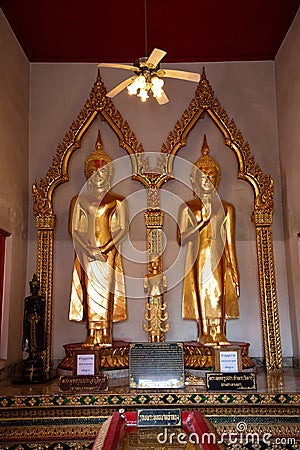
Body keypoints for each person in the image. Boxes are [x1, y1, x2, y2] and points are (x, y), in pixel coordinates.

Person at [177, 135, 240, 346]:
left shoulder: (227, 208)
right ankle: (204, 331)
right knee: (202, 291)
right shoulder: (187, 207)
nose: (206, 179)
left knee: (219, 291)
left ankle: (219, 331)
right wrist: (201, 224)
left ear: (217, 179)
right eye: (201, 175)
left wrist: (235, 269)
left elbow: (230, 243)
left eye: (210, 174)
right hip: (198, 258)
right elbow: (182, 238)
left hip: (218, 257)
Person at [68, 131, 128, 347]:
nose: (98, 174)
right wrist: (89, 248)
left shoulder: (117, 201)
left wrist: (107, 248)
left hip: (109, 254)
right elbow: (74, 230)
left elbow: (122, 229)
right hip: (87, 253)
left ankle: (106, 334)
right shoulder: (80, 200)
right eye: (94, 170)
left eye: (102, 171)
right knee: (90, 291)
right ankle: (91, 333)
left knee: (107, 293)